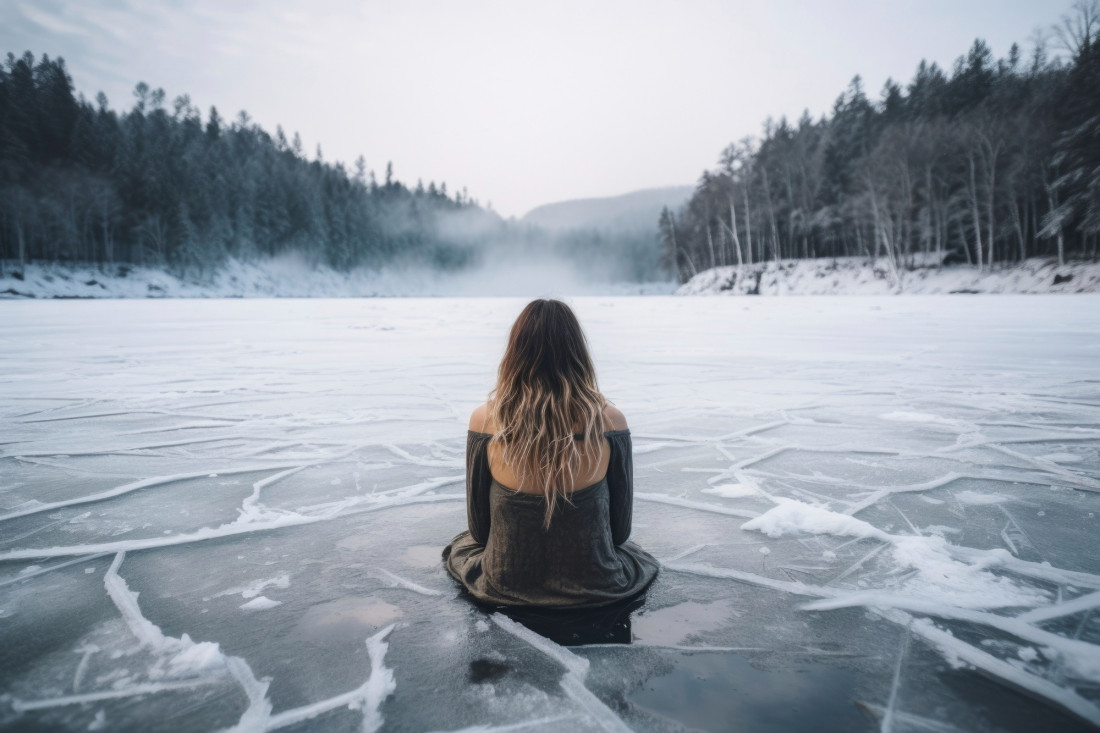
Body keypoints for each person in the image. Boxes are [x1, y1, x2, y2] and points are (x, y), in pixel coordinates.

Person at [443, 299, 659, 608]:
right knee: (634, 555)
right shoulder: (610, 420)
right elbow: (620, 533)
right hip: (598, 584)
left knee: (460, 546)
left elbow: (479, 531)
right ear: (577, 353)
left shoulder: (486, 420)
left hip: (503, 582)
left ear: (515, 353)